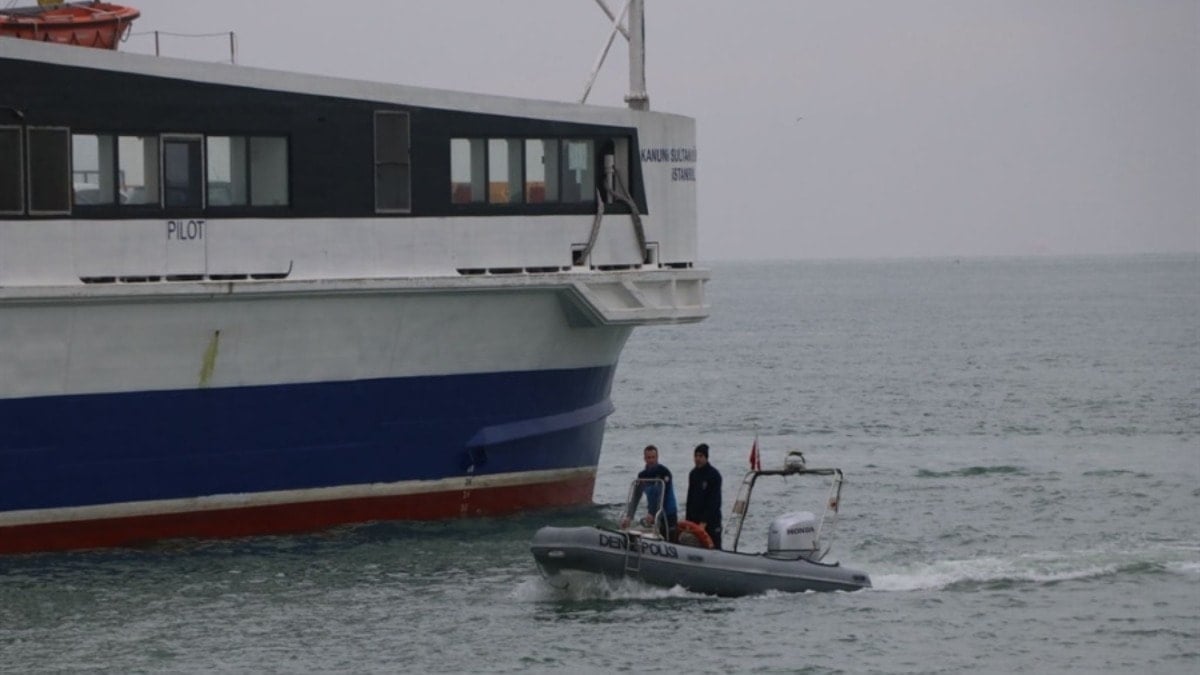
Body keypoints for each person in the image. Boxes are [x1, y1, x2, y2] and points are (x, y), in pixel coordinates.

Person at [619, 444, 678, 541]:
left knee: (670, 539)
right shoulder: (642, 475)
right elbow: (635, 498)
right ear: (644, 458)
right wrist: (629, 517)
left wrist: (653, 513)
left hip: (668, 513)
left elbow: (663, 496)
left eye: (653, 457)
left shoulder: (664, 472)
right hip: (653, 514)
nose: (651, 460)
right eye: (648, 458)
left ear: (657, 457)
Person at [686, 443, 723, 549]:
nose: (697, 459)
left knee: (714, 548)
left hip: (711, 522)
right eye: (696, 456)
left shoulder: (714, 475)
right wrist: (688, 521)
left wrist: (704, 522)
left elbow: (714, 502)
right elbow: (690, 499)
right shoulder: (693, 474)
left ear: (706, 457)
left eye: (700, 456)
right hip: (695, 521)